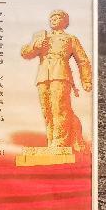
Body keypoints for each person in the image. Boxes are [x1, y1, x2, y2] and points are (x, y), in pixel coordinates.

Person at [21, 9, 92, 154]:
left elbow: (83, 60)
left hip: (61, 74)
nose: (53, 19)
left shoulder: (70, 39)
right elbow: (25, 53)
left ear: (65, 22)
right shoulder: (41, 36)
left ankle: (60, 143)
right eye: (51, 17)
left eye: (57, 17)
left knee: (60, 108)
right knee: (47, 110)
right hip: (43, 76)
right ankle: (51, 141)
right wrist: (35, 46)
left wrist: (86, 80)